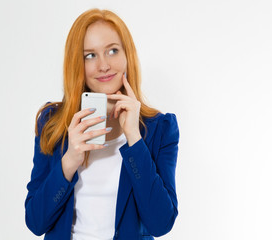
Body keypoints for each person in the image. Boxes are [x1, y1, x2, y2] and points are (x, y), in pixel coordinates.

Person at [24, 8, 180, 240]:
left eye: (113, 51)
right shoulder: (52, 123)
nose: (104, 65)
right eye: (90, 55)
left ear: (127, 56)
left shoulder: (160, 128)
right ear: (77, 64)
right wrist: (69, 162)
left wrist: (134, 140)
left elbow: (161, 223)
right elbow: (36, 222)